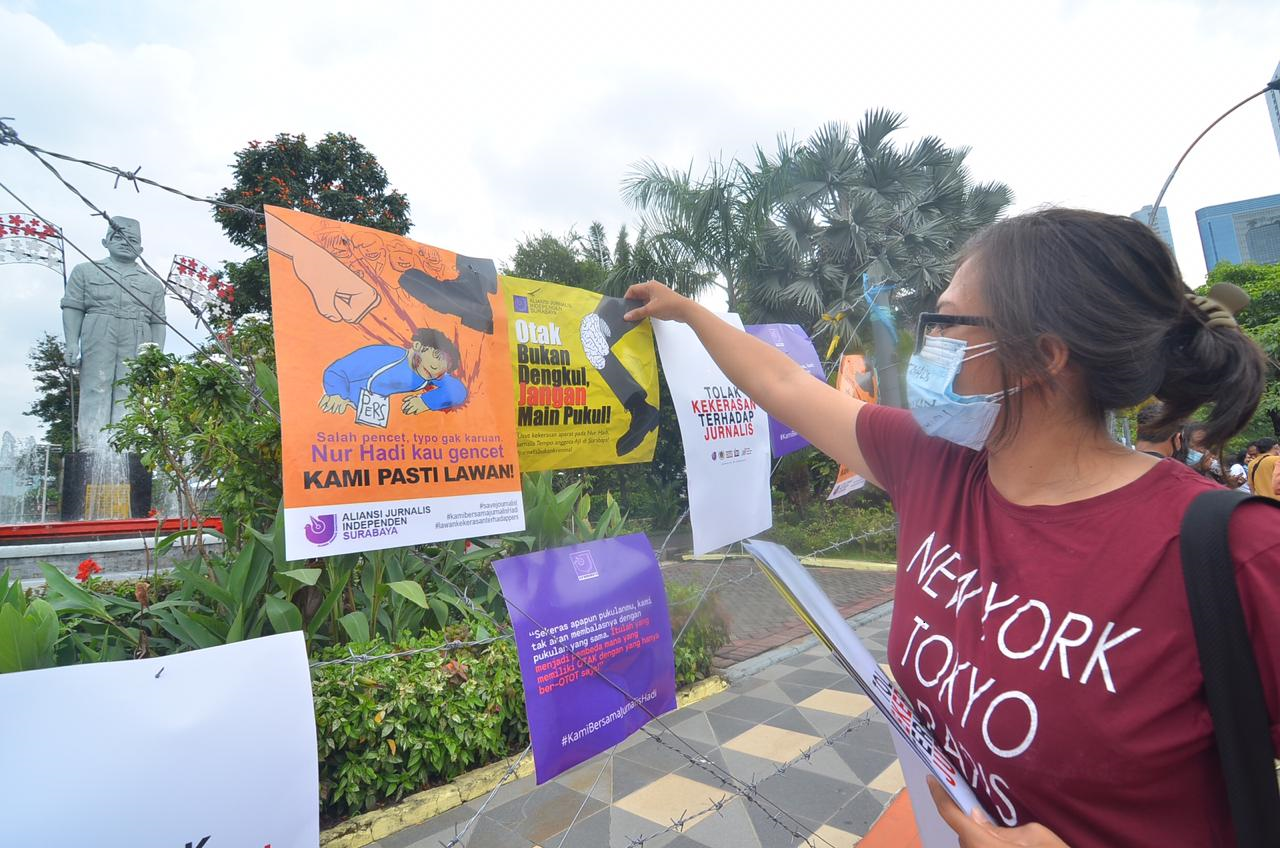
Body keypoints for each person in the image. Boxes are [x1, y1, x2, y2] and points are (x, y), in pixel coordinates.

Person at [623, 208, 1277, 846]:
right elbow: (784, 382)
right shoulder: (932, 464)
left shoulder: (1234, 552)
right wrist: (688, 311)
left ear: (1042, 357)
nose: (925, 346)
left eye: (946, 322)